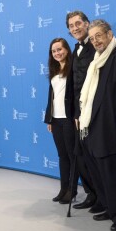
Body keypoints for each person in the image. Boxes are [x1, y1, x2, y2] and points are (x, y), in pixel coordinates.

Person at [79, 19, 116, 231]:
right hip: (94, 123)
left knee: (114, 172)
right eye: (92, 38)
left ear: (110, 34)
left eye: (98, 36)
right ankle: (111, 207)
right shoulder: (97, 58)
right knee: (101, 170)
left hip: (112, 125)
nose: (95, 41)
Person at [66, 11, 104, 210]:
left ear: (87, 24)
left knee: (96, 158)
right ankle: (92, 194)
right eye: (71, 25)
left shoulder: (97, 48)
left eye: (78, 23)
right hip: (78, 115)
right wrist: (75, 114)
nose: (75, 28)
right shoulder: (75, 51)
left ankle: (103, 198)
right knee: (82, 158)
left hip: (95, 113)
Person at [44, 38, 75, 203]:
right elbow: (52, 97)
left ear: (67, 50)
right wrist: (49, 119)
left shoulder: (73, 68)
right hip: (56, 120)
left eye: (59, 49)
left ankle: (72, 190)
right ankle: (63, 188)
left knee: (72, 156)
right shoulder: (54, 70)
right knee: (62, 156)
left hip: (69, 119)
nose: (57, 53)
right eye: (54, 51)